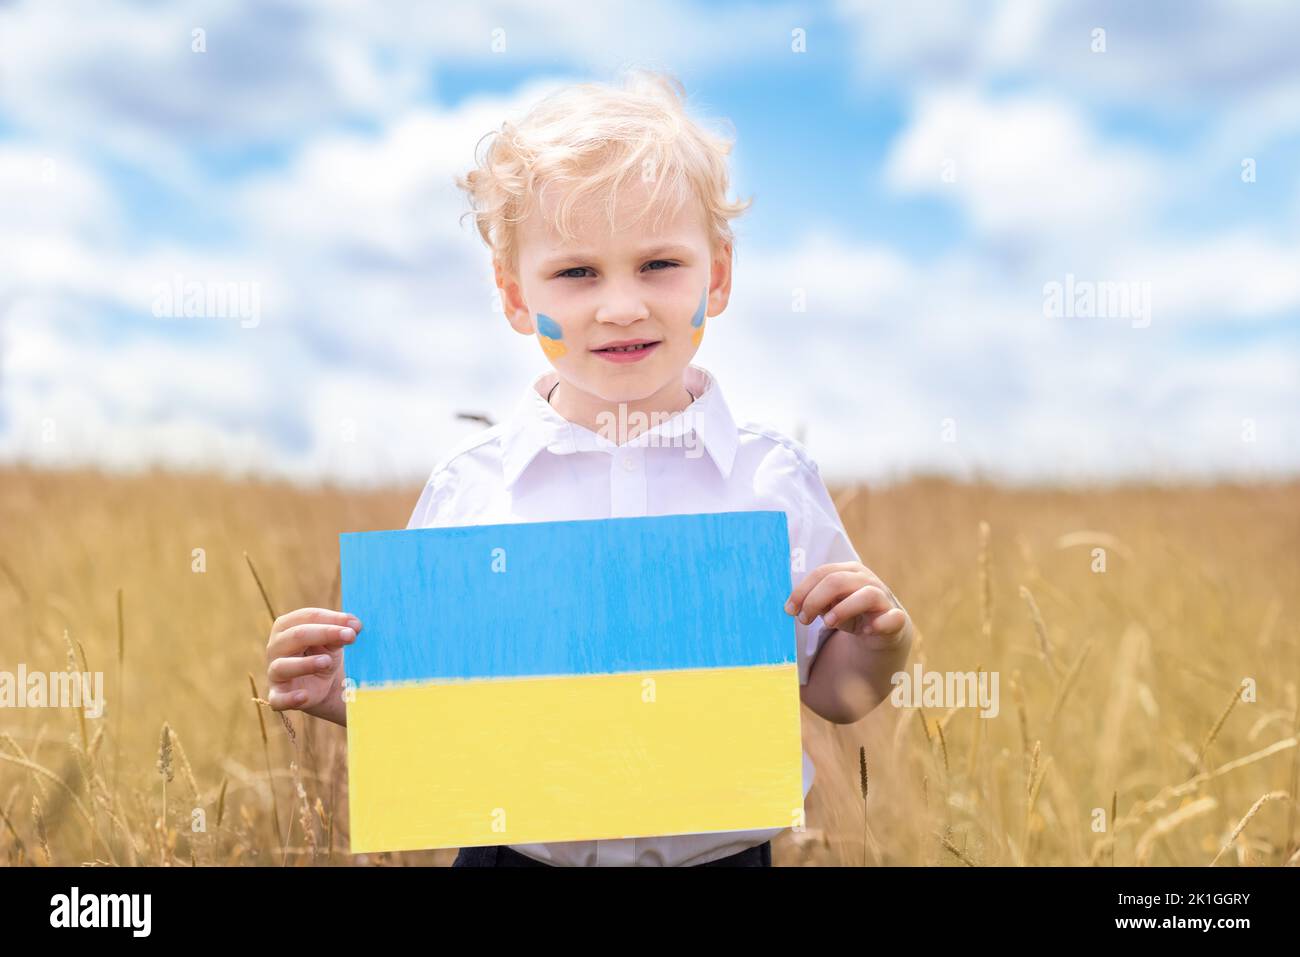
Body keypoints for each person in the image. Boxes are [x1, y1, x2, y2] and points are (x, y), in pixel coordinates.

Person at [265, 68, 914, 867]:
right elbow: (442, 712)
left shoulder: (770, 478)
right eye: (576, 273)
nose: (620, 306)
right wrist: (347, 697)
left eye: (658, 266)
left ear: (718, 275)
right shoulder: (475, 486)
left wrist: (880, 640)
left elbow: (833, 693)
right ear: (513, 295)